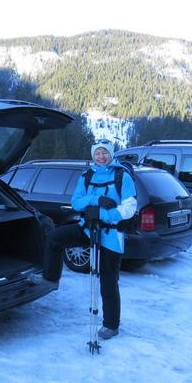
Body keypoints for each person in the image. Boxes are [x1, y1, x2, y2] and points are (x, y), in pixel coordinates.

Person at [28, 139, 137, 339]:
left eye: (105, 153)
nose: (101, 157)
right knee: (55, 237)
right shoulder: (87, 176)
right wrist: (96, 200)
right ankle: (50, 278)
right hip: (87, 228)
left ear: (111, 154)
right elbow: (76, 202)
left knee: (108, 281)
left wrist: (105, 215)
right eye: (97, 153)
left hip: (111, 235)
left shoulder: (122, 176)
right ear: (93, 155)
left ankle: (111, 325)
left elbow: (129, 207)